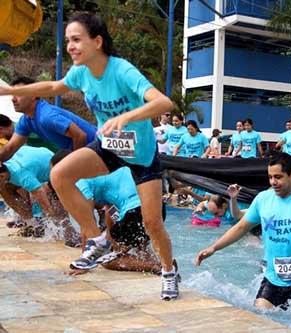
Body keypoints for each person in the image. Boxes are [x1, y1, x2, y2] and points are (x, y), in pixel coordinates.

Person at [0, 13, 179, 300]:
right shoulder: (81, 73)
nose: (70, 46)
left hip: (142, 155)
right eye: (68, 40)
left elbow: (163, 102)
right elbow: (53, 87)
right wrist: (11, 90)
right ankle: (97, 239)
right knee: (60, 174)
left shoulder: (122, 71)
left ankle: (169, 272)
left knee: (152, 223)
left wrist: (128, 116)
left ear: (97, 41)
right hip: (110, 147)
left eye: (76, 39)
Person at [195, 153, 291, 309]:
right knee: (260, 315)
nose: (273, 182)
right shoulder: (263, 199)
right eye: (270, 177)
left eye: (278, 177)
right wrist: (214, 247)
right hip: (273, 276)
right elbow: (241, 227)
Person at [0, 77, 97, 163]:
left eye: (19, 94)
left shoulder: (46, 116)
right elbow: (10, 148)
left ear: (34, 95)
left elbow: (80, 135)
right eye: (12, 95)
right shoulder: (26, 120)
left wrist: (77, 165)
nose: (13, 99)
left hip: (101, 147)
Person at [0, 145, 64, 219]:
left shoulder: (21, 174)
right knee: (5, 189)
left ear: (1, 176)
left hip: (52, 166)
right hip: (35, 156)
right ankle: (28, 219)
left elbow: (39, 192)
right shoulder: (4, 160)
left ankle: (34, 220)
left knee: (43, 200)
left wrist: (51, 216)